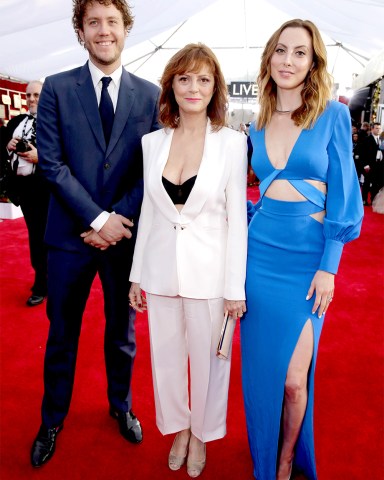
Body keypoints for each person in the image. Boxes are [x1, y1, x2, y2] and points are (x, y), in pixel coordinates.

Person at [30, 0, 159, 468]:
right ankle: (51, 419)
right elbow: (51, 164)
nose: (103, 31)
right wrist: (96, 219)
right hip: (68, 239)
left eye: (111, 22)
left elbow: (154, 169)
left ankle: (121, 406)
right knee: (62, 334)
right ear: (80, 32)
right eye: (93, 23)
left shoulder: (150, 94)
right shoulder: (57, 90)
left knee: (122, 334)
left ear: (125, 29)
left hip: (126, 240)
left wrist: (116, 219)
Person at [241, 19, 363, 480]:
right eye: (281, 50)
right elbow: (255, 195)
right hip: (259, 257)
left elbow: (345, 193)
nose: (288, 61)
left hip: (308, 262)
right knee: (262, 375)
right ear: (268, 57)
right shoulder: (255, 124)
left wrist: (328, 266)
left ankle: (288, 457)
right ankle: (264, 455)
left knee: (295, 381)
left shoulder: (332, 115)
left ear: (313, 63)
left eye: (300, 53)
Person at [128, 43, 247, 478]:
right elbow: (147, 212)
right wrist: (137, 275)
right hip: (159, 271)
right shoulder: (151, 143)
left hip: (211, 275)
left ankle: (201, 433)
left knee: (210, 362)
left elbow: (238, 220)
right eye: (184, 78)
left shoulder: (232, 143)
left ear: (215, 87)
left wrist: (235, 288)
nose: (193, 87)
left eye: (203, 79)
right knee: (166, 359)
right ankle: (178, 427)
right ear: (171, 85)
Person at [3, 81, 50, 306]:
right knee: (36, 238)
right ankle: (42, 281)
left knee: (49, 237)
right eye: (29, 95)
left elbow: (70, 154)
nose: (32, 99)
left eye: (37, 95)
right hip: (26, 191)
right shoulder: (16, 122)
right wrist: (8, 143)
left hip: (49, 190)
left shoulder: (55, 122)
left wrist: (41, 158)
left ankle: (47, 283)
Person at [361, 122, 383, 205]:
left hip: (379, 166)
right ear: (372, 129)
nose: (378, 130)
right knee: (367, 183)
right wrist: (365, 165)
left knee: (376, 184)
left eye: (379, 128)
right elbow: (363, 153)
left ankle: (374, 199)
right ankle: (364, 199)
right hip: (369, 165)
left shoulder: (381, 140)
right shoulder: (367, 139)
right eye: (376, 128)